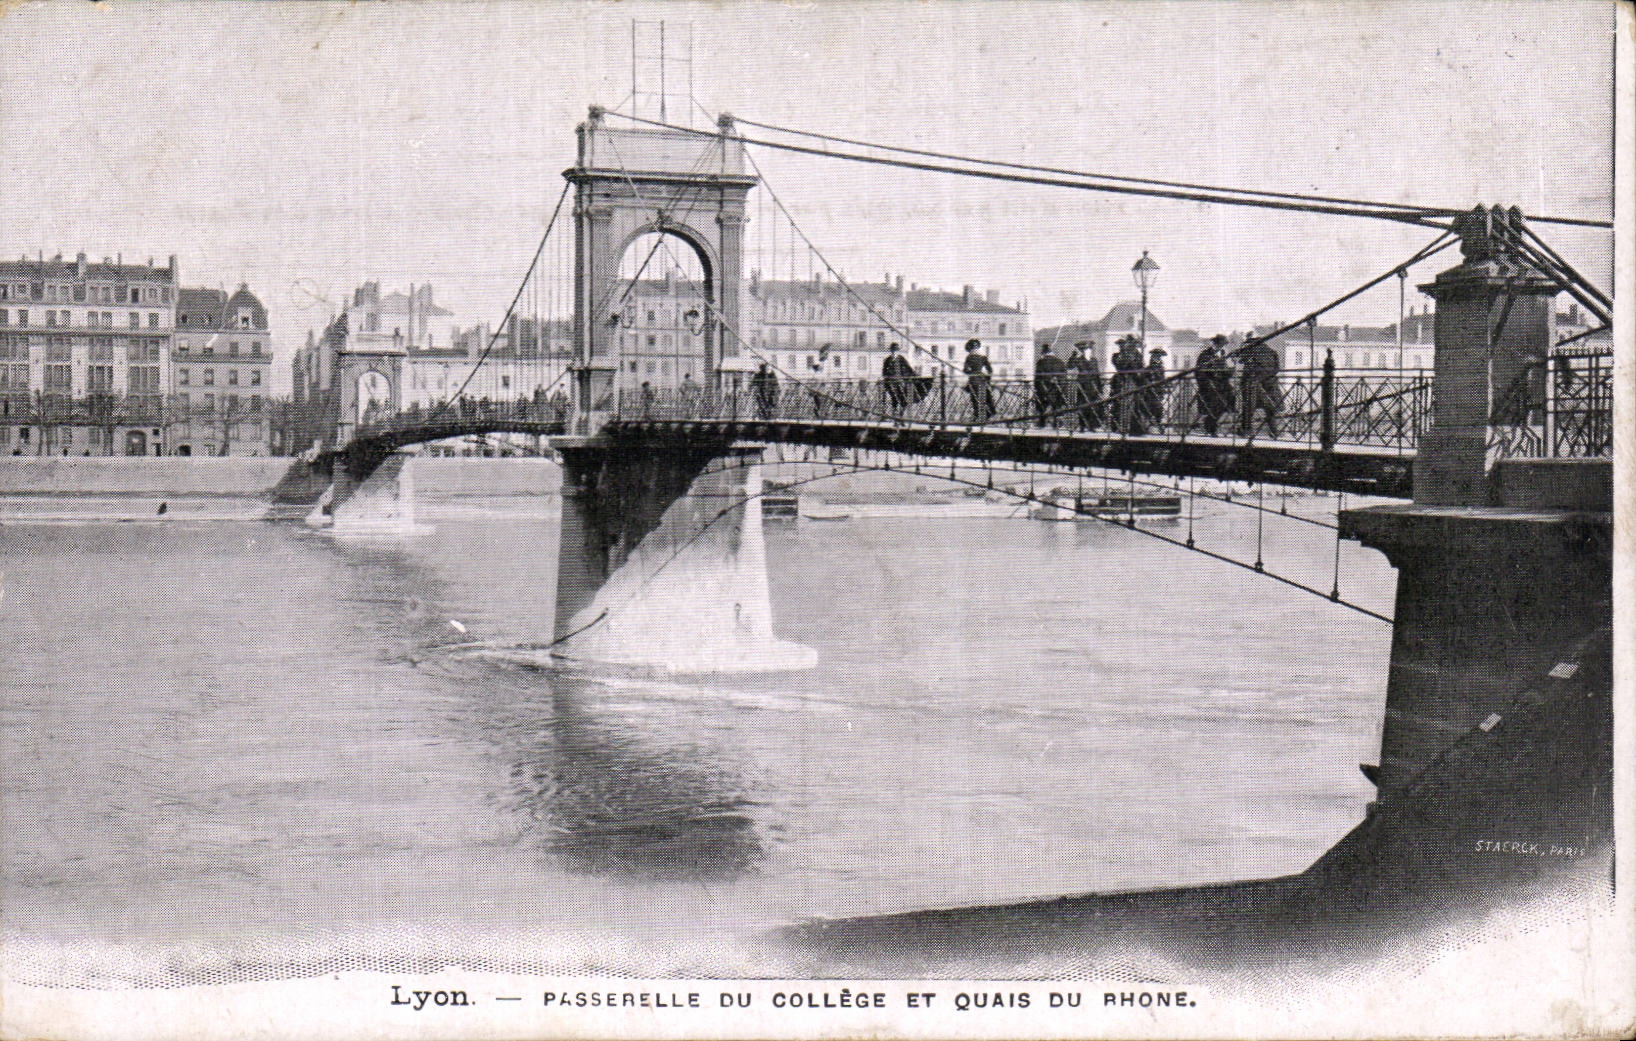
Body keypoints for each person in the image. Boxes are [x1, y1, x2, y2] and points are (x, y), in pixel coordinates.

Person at [1237, 336, 1283, 437]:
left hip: (1253, 384)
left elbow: (1240, 360)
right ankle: (1274, 431)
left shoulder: (1251, 350)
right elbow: (1276, 369)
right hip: (1269, 384)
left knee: (1249, 407)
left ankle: (1246, 430)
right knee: (1270, 408)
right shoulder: (1272, 351)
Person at [1193, 334, 1236, 436]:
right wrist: (1207, 384)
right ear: (1215, 344)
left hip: (1222, 385)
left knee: (1230, 398)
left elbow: (1226, 373)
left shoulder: (1222, 355)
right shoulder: (1205, 355)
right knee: (1216, 404)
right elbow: (1199, 372)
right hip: (1209, 386)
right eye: (1220, 345)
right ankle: (1211, 427)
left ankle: (1212, 424)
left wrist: (1232, 367)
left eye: (1223, 345)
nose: (1221, 347)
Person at [1110, 335, 1147, 434]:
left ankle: (1135, 427)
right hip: (1126, 381)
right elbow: (1120, 366)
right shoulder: (1123, 355)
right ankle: (1123, 426)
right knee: (1125, 404)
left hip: (1135, 381)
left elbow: (1141, 366)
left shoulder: (1137, 355)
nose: (1132, 346)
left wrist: (1139, 371)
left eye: (1134, 344)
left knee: (1135, 405)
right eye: (1131, 344)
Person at [1067, 341, 1103, 431]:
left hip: (1093, 386)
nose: (1088, 351)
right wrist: (1073, 355)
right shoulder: (1078, 360)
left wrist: (1100, 388)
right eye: (1086, 350)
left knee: (1093, 407)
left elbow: (1097, 374)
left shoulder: (1094, 360)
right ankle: (1082, 426)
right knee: (1082, 406)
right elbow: (1069, 366)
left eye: (1089, 349)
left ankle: (1092, 426)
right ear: (1082, 351)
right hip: (1083, 386)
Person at [1033, 344, 1068, 428]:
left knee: (1042, 407)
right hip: (1057, 390)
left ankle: (1042, 425)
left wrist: (1036, 388)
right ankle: (1058, 425)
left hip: (1044, 391)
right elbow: (1064, 377)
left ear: (1043, 353)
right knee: (1057, 407)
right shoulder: (1060, 362)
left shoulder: (1041, 362)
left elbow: (1037, 378)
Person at [963, 338, 994, 423]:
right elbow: (990, 370)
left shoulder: (969, 358)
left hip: (973, 380)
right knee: (985, 397)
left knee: (975, 398)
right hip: (982, 380)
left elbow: (965, 370)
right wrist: (987, 379)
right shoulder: (983, 357)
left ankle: (977, 417)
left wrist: (972, 372)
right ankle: (987, 415)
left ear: (970, 349)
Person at [881, 342, 917, 414]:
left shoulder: (901, 358)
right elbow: (884, 371)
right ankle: (894, 414)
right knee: (894, 397)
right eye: (893, 350)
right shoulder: (887, 360)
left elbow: (908, 367)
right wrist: (887, 377)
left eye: (896, 350)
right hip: (890, 382)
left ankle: (900, 414)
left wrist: (914, 375)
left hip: (900, 382)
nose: (894, 352)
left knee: (903, 399)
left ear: (898, 351)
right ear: (891, 351)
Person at [1141, 347, 1169, 432]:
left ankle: (1156, 425)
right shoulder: (1149, 368)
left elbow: (1162, 378)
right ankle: (1150, 426)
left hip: (1159, 390)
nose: (1158, 358)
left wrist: (1164, 385)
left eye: (1159, 356)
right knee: (1151, 407)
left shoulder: (1161, 367)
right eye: (1156, 356)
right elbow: (1145, 379)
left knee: (1158, 408)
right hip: (1150, 391)